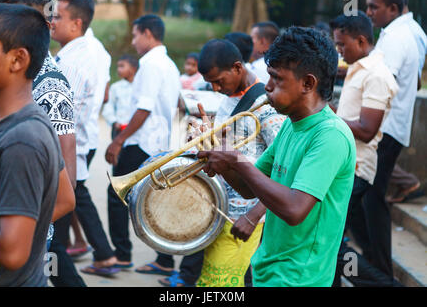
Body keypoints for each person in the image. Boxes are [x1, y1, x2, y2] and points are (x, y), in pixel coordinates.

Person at [197, 27, 356, 287]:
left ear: (308, 83)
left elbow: (294, 210)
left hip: (300, 277)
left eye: (277, 79)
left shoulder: (330, 136)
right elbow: (250, 189)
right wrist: (223, 159)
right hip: (269, 268)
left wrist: (237, 160)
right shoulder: (290, 126)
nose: (267, 86)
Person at [160, 39, 285, 287]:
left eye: (219, 81)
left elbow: (285, 170)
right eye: (210, 83)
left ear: (237, 68)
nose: (216, 88)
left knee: (217, 284)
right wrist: (206, 143)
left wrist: (253, 216)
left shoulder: (267, 108)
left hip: (244, 216)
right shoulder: (230, 96)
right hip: (221, 210)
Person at [0, 3, 75, 286]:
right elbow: (65, 198)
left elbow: (12, 252)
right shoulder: (18, 121)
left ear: (17, 60)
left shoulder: (22, 139)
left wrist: (18, 232)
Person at [51, 0, 121, 276]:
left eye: (57, 16)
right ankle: (102, 254)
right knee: (77, 199)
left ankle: (98, 255)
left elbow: (65, 119)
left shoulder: (72, 62)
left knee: (68, 207)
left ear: (76, 24)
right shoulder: (93, 49)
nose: (51, 21)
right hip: (82, 139)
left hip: (71, 145)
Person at [105, 14, 181, 275]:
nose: (134, 41)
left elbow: (144, 108)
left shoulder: (150, 64)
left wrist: (118, 140)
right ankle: (164, 260)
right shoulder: (168, 64)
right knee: (155, 200)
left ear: (148, 34)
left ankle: (121, 255)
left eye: (136, 35)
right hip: (160, 142)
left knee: (116, 196)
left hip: (143, 142)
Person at [329, 11, 399, 286]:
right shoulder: (357, 67)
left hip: (357, 168)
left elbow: (368, 130)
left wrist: (328, 118)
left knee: (331, 245)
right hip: (345, 165)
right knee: (331, 243)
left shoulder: (377, 75)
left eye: (342, 44)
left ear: (360, 40)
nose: (339, 50)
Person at [364, 0, 419, 279]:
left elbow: (383, 83)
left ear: (394, 8)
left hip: (383, 128)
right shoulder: (412, 31)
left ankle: (379, 272)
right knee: (369, 199)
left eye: (374, 7)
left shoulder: (397, 37)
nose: (369, 13)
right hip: (391, 126)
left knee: (371, 199)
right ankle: (376, 269)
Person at [386, 0, 426, 204]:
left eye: (375, 5)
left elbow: (416, 78)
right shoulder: (399, 31)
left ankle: (409, 181)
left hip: (393, 113)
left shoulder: (409, 33)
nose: (370, 12)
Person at [102, 54, 139, 140]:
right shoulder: (116, 87)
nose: (119, 69)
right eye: (118, 66)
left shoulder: (140, 87)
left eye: (122, 66)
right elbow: (108, 107)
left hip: (137, 130)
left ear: (133, 68)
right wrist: (114, 122)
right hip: (119, 129)